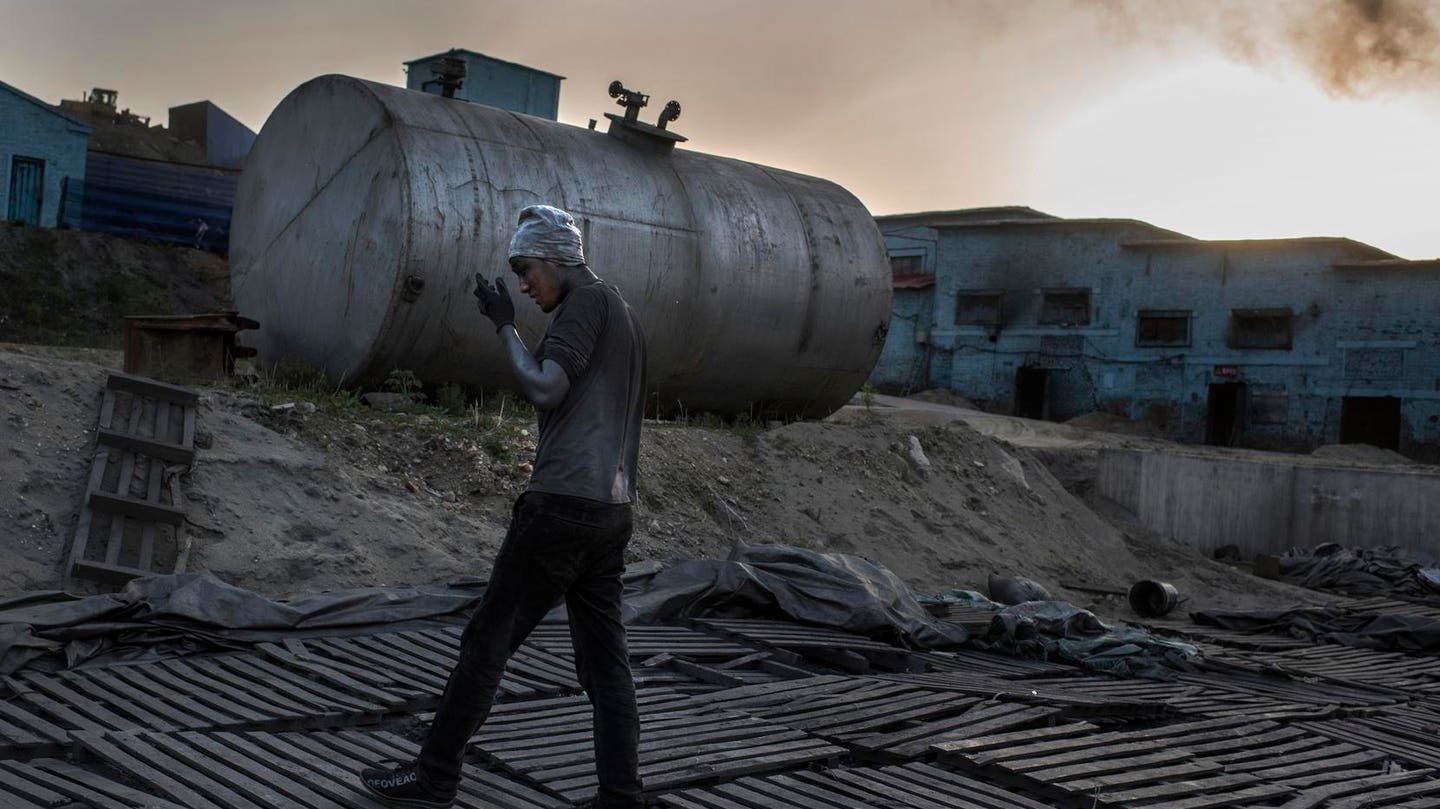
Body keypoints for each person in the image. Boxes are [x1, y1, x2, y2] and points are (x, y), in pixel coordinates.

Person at [360, 205, 649, 809]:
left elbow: (547, 385)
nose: (522, 285)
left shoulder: (585, 305)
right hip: (610, 513)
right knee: (604, 664)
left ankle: (434, 778)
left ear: (557, 260)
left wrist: (503, 327)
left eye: (526, 270)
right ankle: (621, 796)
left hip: (562, 508)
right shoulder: (623, 312)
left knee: (485, 646)